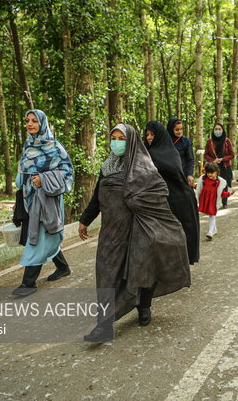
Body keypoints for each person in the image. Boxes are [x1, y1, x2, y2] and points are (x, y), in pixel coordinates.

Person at [79, 124, 190, 342]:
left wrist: (135, 201)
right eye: (114, 138)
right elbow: (97, 197)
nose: (117, 142)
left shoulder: (144, 169)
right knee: (107, 273)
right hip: (111, 232)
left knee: (142, 267)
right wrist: (85, 220)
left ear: (131, 142)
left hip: (139, 229)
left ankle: (144, 307)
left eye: (122, 138)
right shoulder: (107, 167)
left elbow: (159, 194)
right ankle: (104, 323)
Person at [12, 110, 74, 296]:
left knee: (38, 238)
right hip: (29, 198)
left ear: (42, 124)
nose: (30, 124)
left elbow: (67, 173)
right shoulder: (28, 146)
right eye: (27, 120)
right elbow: (22, 177)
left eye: (34, 121)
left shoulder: (54, 146)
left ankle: (28, 283)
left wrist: (43, 179)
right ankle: (63, 267)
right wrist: (19, 201)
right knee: (47, 234)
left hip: (47, 200)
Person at [145, 120, 200, 265]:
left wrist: (189, 174)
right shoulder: (145, 153)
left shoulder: (172, 151)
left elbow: (187, 162)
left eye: (152, 134)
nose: (149, 137)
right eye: (147, 134)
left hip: (177, 197)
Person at [195, 162, 235, 240]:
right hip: (206, 200)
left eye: (212, 173)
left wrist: (229, 194)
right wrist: (193, 185)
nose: (210, 174)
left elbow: (222, 193)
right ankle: (214, 229)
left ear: (216, 171)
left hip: (213, 202)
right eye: (208, 172)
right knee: (211, 215)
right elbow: (199, 187)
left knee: (212, 215)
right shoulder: (204, 179)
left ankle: (210, 232)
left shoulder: (218, 182)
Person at [204, 123, 235, 208]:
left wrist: (223, 159)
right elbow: (206, 155)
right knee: (214, 184)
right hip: (213, 167)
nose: (217, 131)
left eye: (219, 129)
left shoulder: (227, 141)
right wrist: (213, 160)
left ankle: (224, 202)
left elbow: (232, 154)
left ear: (222, 130)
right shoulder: (209, 142)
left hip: (224, 166)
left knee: (223, 184)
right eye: (216, 129)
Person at [167, 118, 195, 187]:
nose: (179, 131)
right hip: (168, 176)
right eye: (177, 130)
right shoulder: (166, 141)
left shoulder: (186, 142)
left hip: (183, 175)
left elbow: (190, 159)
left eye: (181, 129)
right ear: (171, 130)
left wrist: (189, 174)